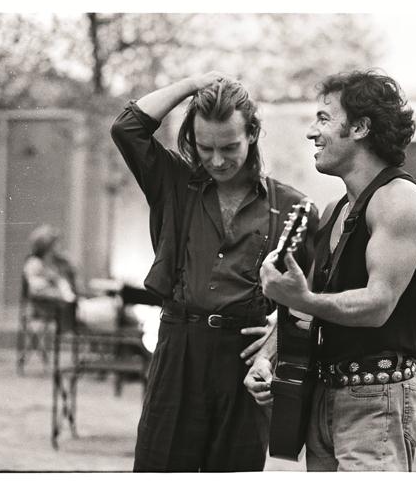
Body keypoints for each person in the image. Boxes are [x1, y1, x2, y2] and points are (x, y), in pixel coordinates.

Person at [110, 72, 318, 472]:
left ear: (252, 133)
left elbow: (308, 302)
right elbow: (127, 128)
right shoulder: (174, 182)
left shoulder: (294, 208)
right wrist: (195, 84)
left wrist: (272, 345)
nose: (217, 160)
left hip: (244, 359)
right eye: (205, 147)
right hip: (179, 348)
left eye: (229, 147)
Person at [245, 70, 416, 471]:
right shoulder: (336, 210)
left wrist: (302, 298)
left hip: (377, 400)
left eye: (324, 118)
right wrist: (266, 358)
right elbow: (307, 306)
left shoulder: (400, 202)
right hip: (324, 395)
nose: (311, 132)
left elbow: (378, 304)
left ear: (361, 127)